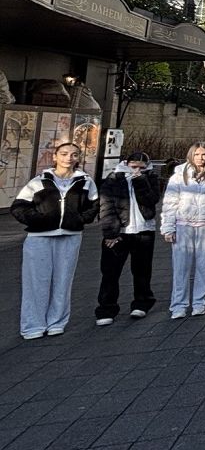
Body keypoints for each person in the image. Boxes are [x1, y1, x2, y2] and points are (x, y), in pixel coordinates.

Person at [13, 142, 98, 339]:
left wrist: (79, 220)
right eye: (64, 154)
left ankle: (57, 322)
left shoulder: (85, 181)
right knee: (36, 281)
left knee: (63, 281)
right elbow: (18, 206)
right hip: (39, 237)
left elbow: (93, 206)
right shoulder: (39, 181)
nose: (69, 158)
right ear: (55, 157)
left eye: (74, 154)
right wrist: (38, 220)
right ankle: (33, 325)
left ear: (78, 158)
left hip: (70, 236)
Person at [95, 150, 159, 325]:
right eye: (133, 167)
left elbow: (152, 199)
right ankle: (106, 308)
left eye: (141, 167)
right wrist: (110, 233)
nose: (137, 170)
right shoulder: (113, 178)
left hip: (144, 230)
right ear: (126, 164)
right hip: (120, 231)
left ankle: (142, 302)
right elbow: (106, 205)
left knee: (142, 270)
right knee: (110, 272)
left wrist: (140, 181)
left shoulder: (150, 177)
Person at [162, 142, 205, 319]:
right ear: (191, 156)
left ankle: (200, 302)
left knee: (204, 267)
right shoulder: (179, 176)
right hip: (183, 224)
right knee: (181, 268)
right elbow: (170, 202)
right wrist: (168, 227)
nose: (200, 158)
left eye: (204, 155)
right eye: (197, 154)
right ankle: (179, 305)